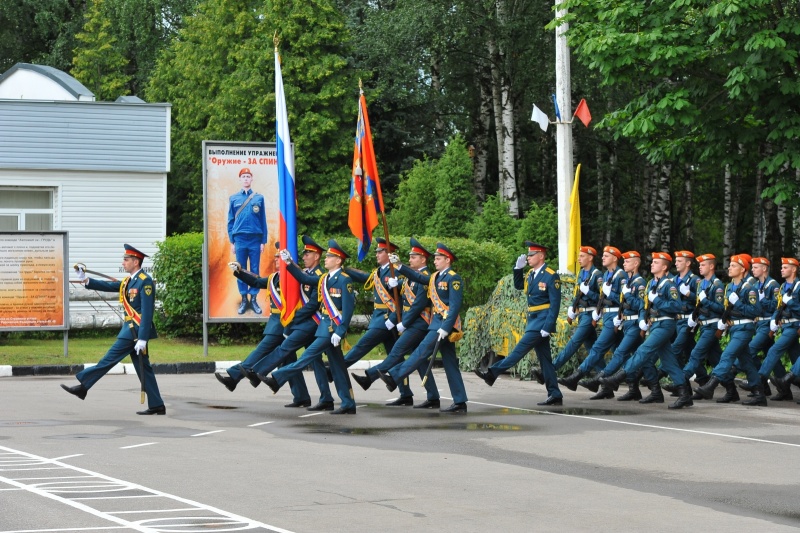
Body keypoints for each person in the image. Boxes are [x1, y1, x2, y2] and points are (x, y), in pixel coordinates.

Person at [214, 242, 321, 409]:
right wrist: (239, 272)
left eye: (279, 256)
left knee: (261, 351)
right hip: (277, 324)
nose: (276, 259)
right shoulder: (275, 277)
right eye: (276, 257)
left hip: (284, 324)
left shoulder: (294, 276)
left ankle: (234, 376)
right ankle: (301, 396)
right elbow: (257, 282)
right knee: (288, 360)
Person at [61, 244, 165, 415]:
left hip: (135, 332)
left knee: (108, 360)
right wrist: (86, 280)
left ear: (136, 262)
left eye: (126, 260)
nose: (123, 262)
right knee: (143, 368)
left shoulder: (145, 282)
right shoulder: (128, 281)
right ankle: (157, 405)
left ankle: (84, 385)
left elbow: (147, 312)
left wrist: (143, 338)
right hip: (131, 330)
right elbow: (108, 286)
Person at [261, 240, 357, 414]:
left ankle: (278, 376)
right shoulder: (324, 278)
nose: (326, 259)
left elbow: (348, 310)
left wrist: (341, 331)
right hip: (324, 327)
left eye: (329, 256)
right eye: (326, 256)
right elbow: (304, 278)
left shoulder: (344, 280)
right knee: (337, 366)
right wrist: (289, 263)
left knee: (307, 355)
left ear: (338, 260)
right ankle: (348, 403)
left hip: (333, 329)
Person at [378, 242, 468, 413]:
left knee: (421, 351)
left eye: (438, 258)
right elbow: (419, 277)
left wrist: (446, 327)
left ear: (447, 260)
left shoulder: (453, 278)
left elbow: (455, 306)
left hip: (443, 326)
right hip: (437, 325)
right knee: (450, 364)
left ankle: (395, 376)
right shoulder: (435, 277)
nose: (435, 261)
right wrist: (399, 266)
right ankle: (460, 401)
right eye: (435, 258)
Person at [350, 238, 441, 408]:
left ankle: (370, 377)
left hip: (419, 323)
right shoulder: (413, 276)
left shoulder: (425, 277)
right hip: (412, 323)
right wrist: (396, 283)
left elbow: (418, 305)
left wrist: (404, 323)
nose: (410, 259)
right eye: (410, 257)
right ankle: (433, 396)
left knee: (396, 353)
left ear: (423, 259)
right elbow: (404, 286)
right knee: (419, 362)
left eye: (414, 257)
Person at [474, 242, 563, 406]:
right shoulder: (531, 274)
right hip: (533, 320)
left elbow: (555, 304)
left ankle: (492, 373)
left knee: (518, 351)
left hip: (541, 322)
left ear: (541, 256)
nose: (528, 257)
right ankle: (555, 394)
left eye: (531, 255)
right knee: (545, 361)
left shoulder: (551, 275)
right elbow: (518, 285)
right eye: (528, 255)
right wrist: (518, 269)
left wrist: (548, 326)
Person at [600, 252, 686, 408]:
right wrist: (643, 320)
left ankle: (618, 378)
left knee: (643, 351)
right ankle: (684, 393)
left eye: (656, 262)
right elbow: (643, 306)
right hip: (655, 324)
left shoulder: (669, 284)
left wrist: (657, 300)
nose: (652, 264)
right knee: (669, 361)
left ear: (665, 266)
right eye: (652, 262)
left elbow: (676, 306)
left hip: (665, 324)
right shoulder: (652, 283)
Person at [693, 254, 764, 405]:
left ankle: (711, 386)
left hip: (745, 327)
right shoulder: (730, 287)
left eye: (733, 266)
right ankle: (759, 394)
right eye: (730, 265)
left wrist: (737, 303)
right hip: (734, 328)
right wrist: (724, 322)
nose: (729, 268)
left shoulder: (749, 289)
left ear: (743, 269)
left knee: (727, 355)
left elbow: (756, 311)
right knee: (747, 362)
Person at [558, 246, 625, 397]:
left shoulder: (613, 275)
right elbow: (598, 297)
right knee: (618, 351)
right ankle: (611, 387)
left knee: (597, 348)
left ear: (614, 258)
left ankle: (576, 375)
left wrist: (606, 299)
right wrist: (573, 308)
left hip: (613, 316)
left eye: (606, 256)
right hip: (600, 315)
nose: (603, 258)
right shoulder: (605, 274)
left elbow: (622, 299)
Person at [578, 251, 646, 401]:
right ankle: (636, 388)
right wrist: (619, 317)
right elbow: (624, 304)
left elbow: (640, 305)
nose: (624, 264)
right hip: (624, 322)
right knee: (635, 357)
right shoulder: (628, 281)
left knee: (620, 353)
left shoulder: (639, 282)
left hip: (634, 323)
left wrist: (626, 297)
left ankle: (600, 379)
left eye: (628, 261)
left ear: (636, 263)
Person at [341, 238, 399, 398]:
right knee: (395, 357)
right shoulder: (379, 271)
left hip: (386, 319)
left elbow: (401, 299)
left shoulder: (396, 272)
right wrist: (344, 268)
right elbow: (364, 278)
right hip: (380, 319)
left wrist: (392, 319)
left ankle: (336, 368)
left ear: (389, 254)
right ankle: (405, 393)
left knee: (361, 345)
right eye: (377, 251)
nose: (377, 254)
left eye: (380, 251)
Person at [536, 246, 601, 383]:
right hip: (582, 314)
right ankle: (604, 379)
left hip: (590, 315)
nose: (579, 259)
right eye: (579, 256)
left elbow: (601, 298)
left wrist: (589, 292)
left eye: (582, 256)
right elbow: (578, 293)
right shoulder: (581, 273)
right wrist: (573, 307)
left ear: (590, 258)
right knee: (592, 348)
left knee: (573, 343)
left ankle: (550, 370)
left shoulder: (597, 275)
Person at [672, 253, 725, 408]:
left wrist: (701, 299)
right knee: (716, 358)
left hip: (712, 325)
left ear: (711, 266)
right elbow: (698, 305)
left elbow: (721, 308)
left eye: (703, 265)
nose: (700, 267)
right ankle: (730, 389)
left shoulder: (716, 284)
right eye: (699, 265)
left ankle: (680, 381)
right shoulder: (702, 283)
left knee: (695, 353)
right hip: (701, 324)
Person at [757, 258, 800, 401]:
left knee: (774, 350)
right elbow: (779, 307)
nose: (782, 269)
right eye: (782, 267)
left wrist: (791, 302)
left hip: (794, 326)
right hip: (785, 325)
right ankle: (785, 390)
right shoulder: (782, 287)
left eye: (785, 267)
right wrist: (774, 319)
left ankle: (760, 379)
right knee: (795, 358)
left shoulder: (799, 286)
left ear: (794, 269)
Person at [740, 257, 782, 400]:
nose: (752, 270)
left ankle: (757, 381)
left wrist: (763, 301)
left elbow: (778, 305)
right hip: (759, 324)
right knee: (772, 356)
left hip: (767, 324)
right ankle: (779, 388)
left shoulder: (772, 285)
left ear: (764, 268)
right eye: (752, 267)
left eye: (756, 267)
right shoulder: (757, 285)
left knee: (750, 349)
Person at [227, 167, 268, 315]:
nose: (245, 178)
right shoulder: (234, 198)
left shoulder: (259, 198)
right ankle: (244, 298)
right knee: (240, 269)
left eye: (248, 176)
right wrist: (232, 241)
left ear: (251, 179)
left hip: (255, 239)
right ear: (240, 179)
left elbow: (263, 220)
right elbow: (230, 221)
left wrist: (263, 240)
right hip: (240, 239)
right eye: (243, 176)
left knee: (255, 269)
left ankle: (254, 298)